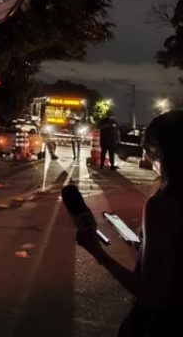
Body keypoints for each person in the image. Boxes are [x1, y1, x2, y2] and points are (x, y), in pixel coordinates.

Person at [76, 110, 183, 336]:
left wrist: (97, 251)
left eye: (151, 152)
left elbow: (153, 293)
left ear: (164, 155)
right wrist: (148, 247)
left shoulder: (163, 206)